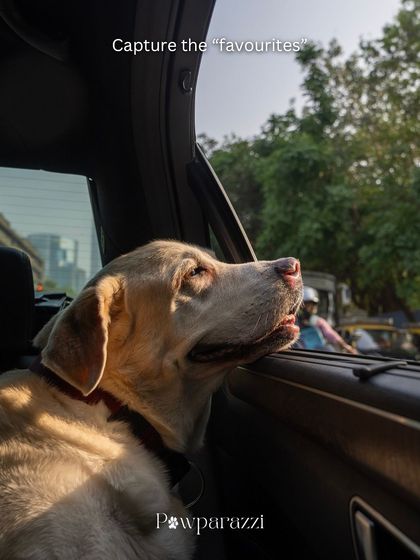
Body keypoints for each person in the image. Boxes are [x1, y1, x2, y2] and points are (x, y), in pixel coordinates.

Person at [299, 286, 357, 354]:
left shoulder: (319, 322)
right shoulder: (293, 323)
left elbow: (331, 334)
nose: (312, 308)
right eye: (309, 305)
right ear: (301, 306)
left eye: (314, 305)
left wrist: (345, 346)